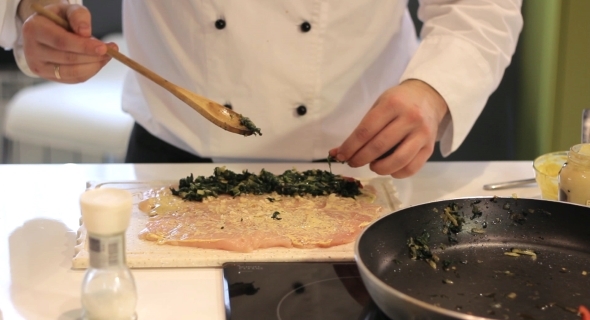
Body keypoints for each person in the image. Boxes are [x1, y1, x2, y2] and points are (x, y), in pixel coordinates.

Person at [0, 0, 523, 178]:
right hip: (173, 160)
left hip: (358, 159)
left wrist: (431, 92)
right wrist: (33, 8)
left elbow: (477, 6)